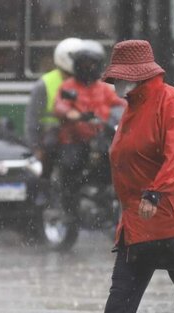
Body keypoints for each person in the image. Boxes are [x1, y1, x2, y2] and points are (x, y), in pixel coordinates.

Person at [102, 40, 174, 313]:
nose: (116, 81)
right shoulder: (132, 106)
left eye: (120, 75)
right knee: (121, 298)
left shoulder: (171, 102)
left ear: (137, 75)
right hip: (139, 220)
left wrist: (155, 192)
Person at [54, 39, 126, 219]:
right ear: (77, 65)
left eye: (92, 63)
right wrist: (71, 113)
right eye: (85, 63)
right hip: (75, 138)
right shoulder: (68, 86)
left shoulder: (103, 88)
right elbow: (60, 105)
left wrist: (130, 109)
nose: (89, 67)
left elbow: (120, 103)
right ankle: (69, 205)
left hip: (101, 137)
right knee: (72, 165)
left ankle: (107, 195)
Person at [25, 37, 83, 179]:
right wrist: (36, 149)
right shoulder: (44, 84)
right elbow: (32, 120)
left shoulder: (89, 81)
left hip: (79, 138)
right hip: (52, 140)